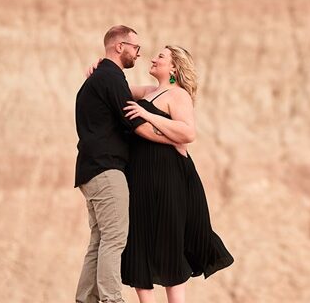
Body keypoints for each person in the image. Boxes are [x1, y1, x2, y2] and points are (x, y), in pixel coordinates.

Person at [90, 45, 233, 303]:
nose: (154, 59)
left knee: (169, 242)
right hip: (140, 177)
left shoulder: (178, 96)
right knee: (138, 242)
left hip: (168, 178)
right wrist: (102, 68)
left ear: (174, 68)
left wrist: (147, 115)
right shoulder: (149, 91)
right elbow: (114, 88)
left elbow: (188, 134)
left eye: (161, 57)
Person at [74, 25, 167, 303]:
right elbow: (137, 126)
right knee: (115, 239)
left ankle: (86, 299)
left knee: (99, 241)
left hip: (89, 171)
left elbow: (143, 92)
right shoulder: (111, 78)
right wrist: (170, 137)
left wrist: (163, 89)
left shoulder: (102, 78)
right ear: (119, 46)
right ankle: (112, 299)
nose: (138, 55)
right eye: (135, 48)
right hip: (106, 171)